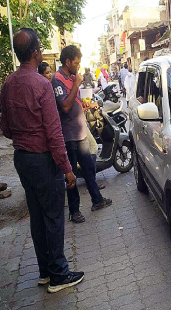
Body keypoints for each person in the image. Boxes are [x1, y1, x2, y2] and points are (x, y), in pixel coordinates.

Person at [0, 28, 84, 293]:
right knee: (54, 217)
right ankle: (59, 274)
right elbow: (54, 132)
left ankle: (45, 272)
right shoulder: (41, 85)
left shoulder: (8, 84)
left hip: (22, 160)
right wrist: (67, 170)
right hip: (43, 160)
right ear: (36, 52)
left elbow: (5, 128)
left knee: (37, 217)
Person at [52, 45, 112, 224]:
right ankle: (74, 211)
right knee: (71, 175)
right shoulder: (57, 80)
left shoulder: (71, 77)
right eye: (76, 63)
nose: (78, 67)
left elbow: (75, 102)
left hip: (80, 133)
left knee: (89, 168)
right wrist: (77, 84)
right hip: (69, 135)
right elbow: (64, 106)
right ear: (67, 61)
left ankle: (97, 200)